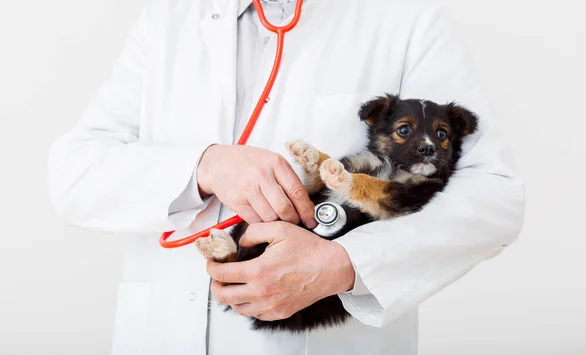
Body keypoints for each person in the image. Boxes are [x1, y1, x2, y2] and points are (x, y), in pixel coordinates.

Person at [47, 0, 525, 354]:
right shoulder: (168, 20)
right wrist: (205, 165)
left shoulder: (402, 19)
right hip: (161, 336)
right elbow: (73, 174)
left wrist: (346, 263)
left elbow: (494, 196)